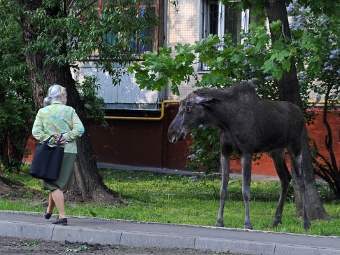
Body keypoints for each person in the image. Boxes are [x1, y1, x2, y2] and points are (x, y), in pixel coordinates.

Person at [32, 84, 84, 225]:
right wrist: (64, 137)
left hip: (49, 151)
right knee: (55, 183)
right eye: (65, 95)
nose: (66, 98)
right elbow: (80, 129)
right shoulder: (70, 111)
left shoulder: (43, 112)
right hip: (68, 151)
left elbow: (36, 132)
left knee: (53, 184)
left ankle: (62, 217)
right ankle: (49, 210)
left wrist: (51, 139)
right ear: (61, 97)